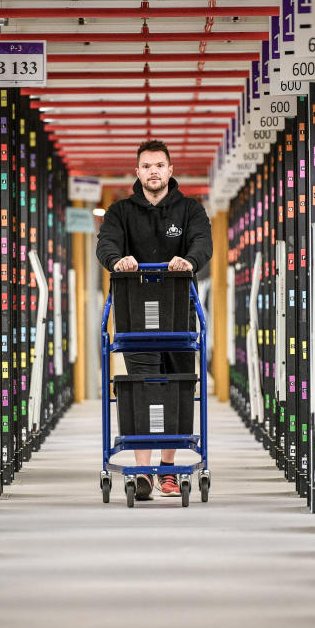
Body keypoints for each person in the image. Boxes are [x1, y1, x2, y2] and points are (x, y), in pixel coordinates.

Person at [96, 139, 213, 500]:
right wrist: (118, 261)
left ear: (170, 170)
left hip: (178, 314)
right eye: (146, 166)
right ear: (138, 172)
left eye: (159, 165)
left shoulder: (190, 210)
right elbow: (106, 244)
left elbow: (202, 243)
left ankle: (168, 472)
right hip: (135, 319)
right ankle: (143, 471)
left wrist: (189, 261)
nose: (153, 171)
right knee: (143, 385)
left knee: (177, 384)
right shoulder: (120, 212)